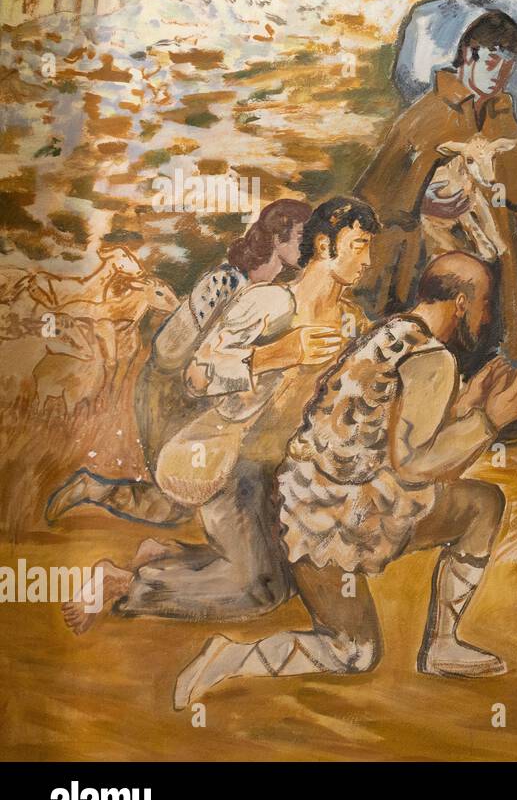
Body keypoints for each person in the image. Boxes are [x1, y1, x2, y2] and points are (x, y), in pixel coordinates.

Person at [172, 253, 517, 708]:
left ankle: (232, 657)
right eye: (483, 303)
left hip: (305, 513)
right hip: (355, 520)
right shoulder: (434, 359)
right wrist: (488, 422)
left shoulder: (390, 334)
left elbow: (386, 430)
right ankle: (442, 644)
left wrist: (466, 405)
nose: (486, 315)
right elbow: (413, 464)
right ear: (461, 302)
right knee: (484, 504)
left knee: (351, 650)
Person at [62, 198, 376, 633]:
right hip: (233, 461)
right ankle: (125, 584)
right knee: (258, 590)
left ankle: (161, 554)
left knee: (285, 581)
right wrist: (277, 354)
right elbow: (196, 376)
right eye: (359, 246)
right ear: (324, 246)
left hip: (285, 470)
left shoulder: (353, 323)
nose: (368, 261)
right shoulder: (269, 302)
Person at [45, 199, 313, 526]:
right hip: (167, 390)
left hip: (199, 395)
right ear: (276, 238)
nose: (308, 245)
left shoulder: (268, 291)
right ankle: (92, 488)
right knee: (178, 500)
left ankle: (95, 490)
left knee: (182, 502)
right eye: (302, 236)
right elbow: (170, 350)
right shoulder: (227, 280)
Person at [352, 10, 517, 381]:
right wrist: (421, 201)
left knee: (489, 338)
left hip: (495, 258)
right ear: (469, 55)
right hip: (434, 260)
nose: (500, 74)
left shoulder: (501, 114)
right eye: (493, 61)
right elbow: (376, 193)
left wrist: (497, 182)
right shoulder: (426, 116)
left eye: (509, 65)